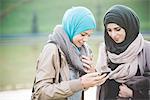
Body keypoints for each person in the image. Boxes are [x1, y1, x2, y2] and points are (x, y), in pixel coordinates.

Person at [31, 6, 108, 100]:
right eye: (83, 34)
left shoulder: (85, 50)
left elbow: (81, 88)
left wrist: (91, 73)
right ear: (72, 28)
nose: (86, 39)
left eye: (89, 35)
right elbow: (40, 92)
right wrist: (80, 83)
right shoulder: (52, 50)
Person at [96, 5, 150, 100]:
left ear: (129, 27)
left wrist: (133, 94)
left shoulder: (146, 49)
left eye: (117, 29)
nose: (113, 35)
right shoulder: (105, 49)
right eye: (109, 30)